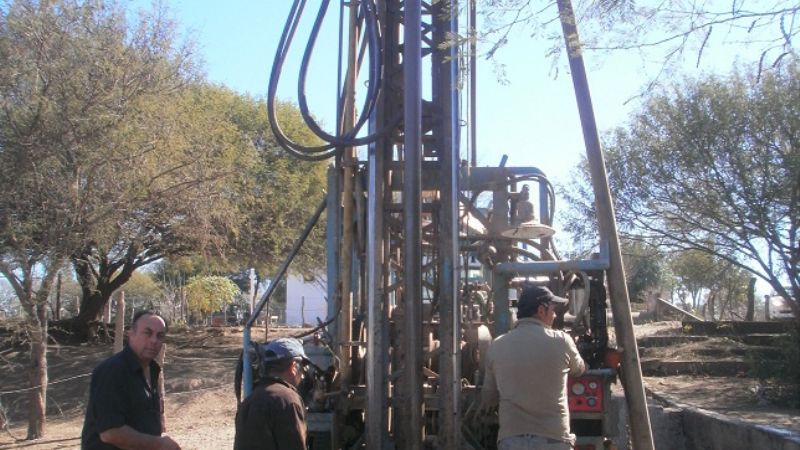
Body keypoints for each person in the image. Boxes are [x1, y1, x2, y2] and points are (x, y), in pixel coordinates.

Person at [482, 286, 586, 450]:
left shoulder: (497, 346)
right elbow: (579, 369)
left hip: (511, 440)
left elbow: (489, 397)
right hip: (554, 439)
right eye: (553, 309)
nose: (555, 314)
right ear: (540, 310)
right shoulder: (561, 341)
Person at [81, 310, 180, 450]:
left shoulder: (152, 370)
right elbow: (110, 433)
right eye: (147, 333)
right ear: (131, 333)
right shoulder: (113, 370)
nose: (154, 340)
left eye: (160, 335)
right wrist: (159, 444)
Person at [233, 337, 309, 450]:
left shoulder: (250, 399)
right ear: (293, 367)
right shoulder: (288, 400)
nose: (302, 376)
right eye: (303, 369)